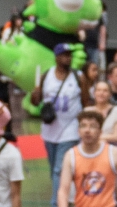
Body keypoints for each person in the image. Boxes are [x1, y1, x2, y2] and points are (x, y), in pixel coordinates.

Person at [36, 43, 84, 198]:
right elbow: (35, 102)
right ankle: (66, 195)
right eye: (64, 55)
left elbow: (86, 101)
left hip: (70, 129)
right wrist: (35, 93)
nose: (68, 58)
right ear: (56, 58)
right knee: (53, 169)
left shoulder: (78, 76)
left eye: (69, 55)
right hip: (50, 128)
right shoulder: (47, 75)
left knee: (59, 168)